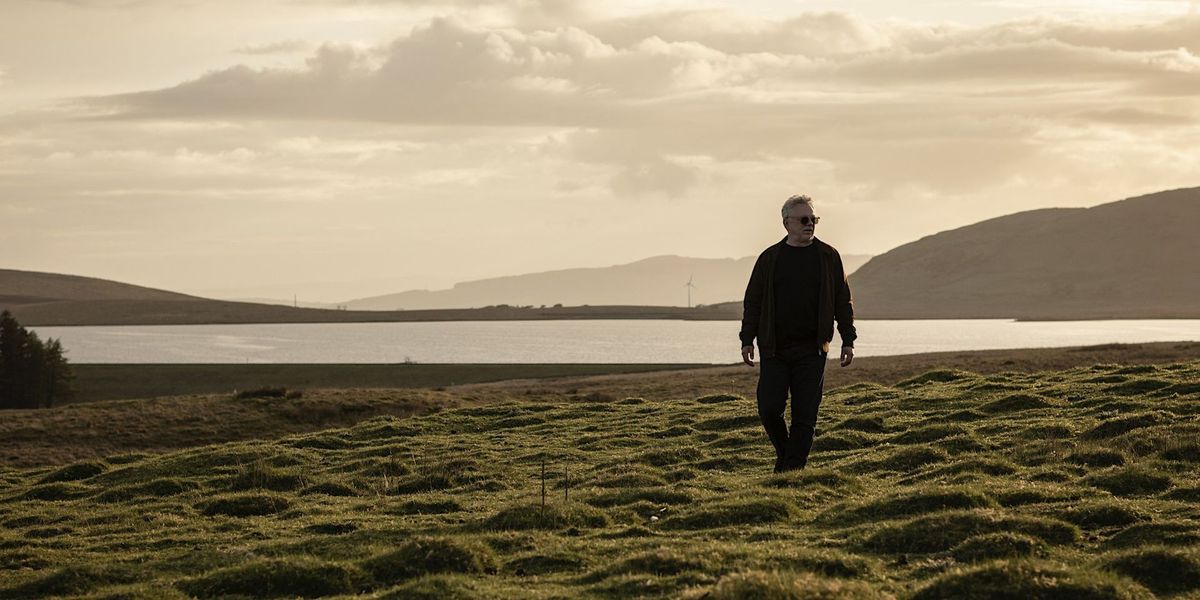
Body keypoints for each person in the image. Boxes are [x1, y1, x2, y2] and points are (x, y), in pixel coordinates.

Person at [740, 194, 857, 473]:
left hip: (812, 350)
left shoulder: (828, 257)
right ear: (786, 223)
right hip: (774, 349)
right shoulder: (770, 259)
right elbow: (753, 302)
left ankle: (789, 473)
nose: (810, 225)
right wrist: (747, 339)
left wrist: (848, 340)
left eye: (813, 219)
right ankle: (786, 457)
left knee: (805, 417)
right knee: (769, 409)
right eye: (804, 220)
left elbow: (843, 300)